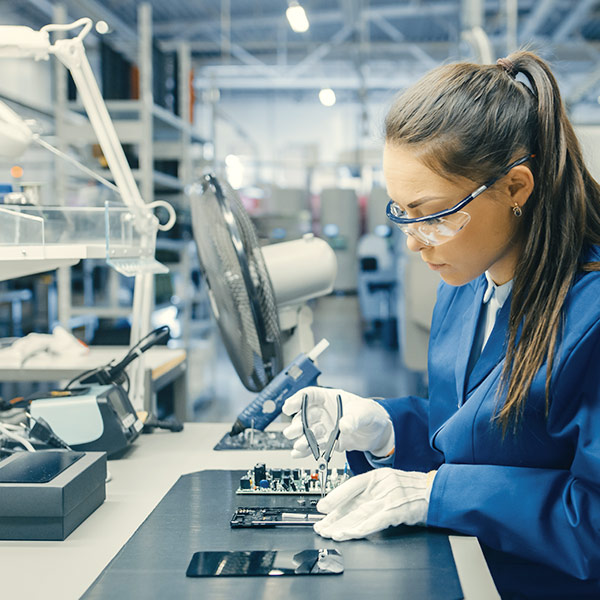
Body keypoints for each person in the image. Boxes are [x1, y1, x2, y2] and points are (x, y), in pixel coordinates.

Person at [282, 50, 600, 599]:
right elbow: (469, 434)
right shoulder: (466, 284)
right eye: (400, 210)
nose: (412, 241)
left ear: (516, 188)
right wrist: (384, 428)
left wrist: (436, 496)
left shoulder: (589, 317)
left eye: (430, 214)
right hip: (465, 570)